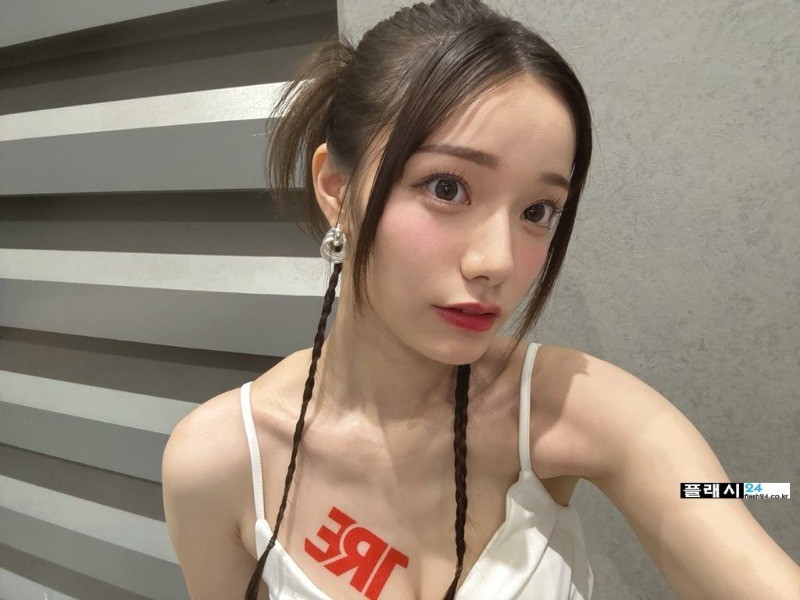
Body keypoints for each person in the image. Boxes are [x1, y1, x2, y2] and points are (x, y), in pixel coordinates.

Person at [161, 1, 800, 599]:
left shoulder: (569, 407)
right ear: (335, 187)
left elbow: (704, 493)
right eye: (446, 187)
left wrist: (766, 487)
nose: (497, 262)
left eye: (538, 210)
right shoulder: (222, 460)